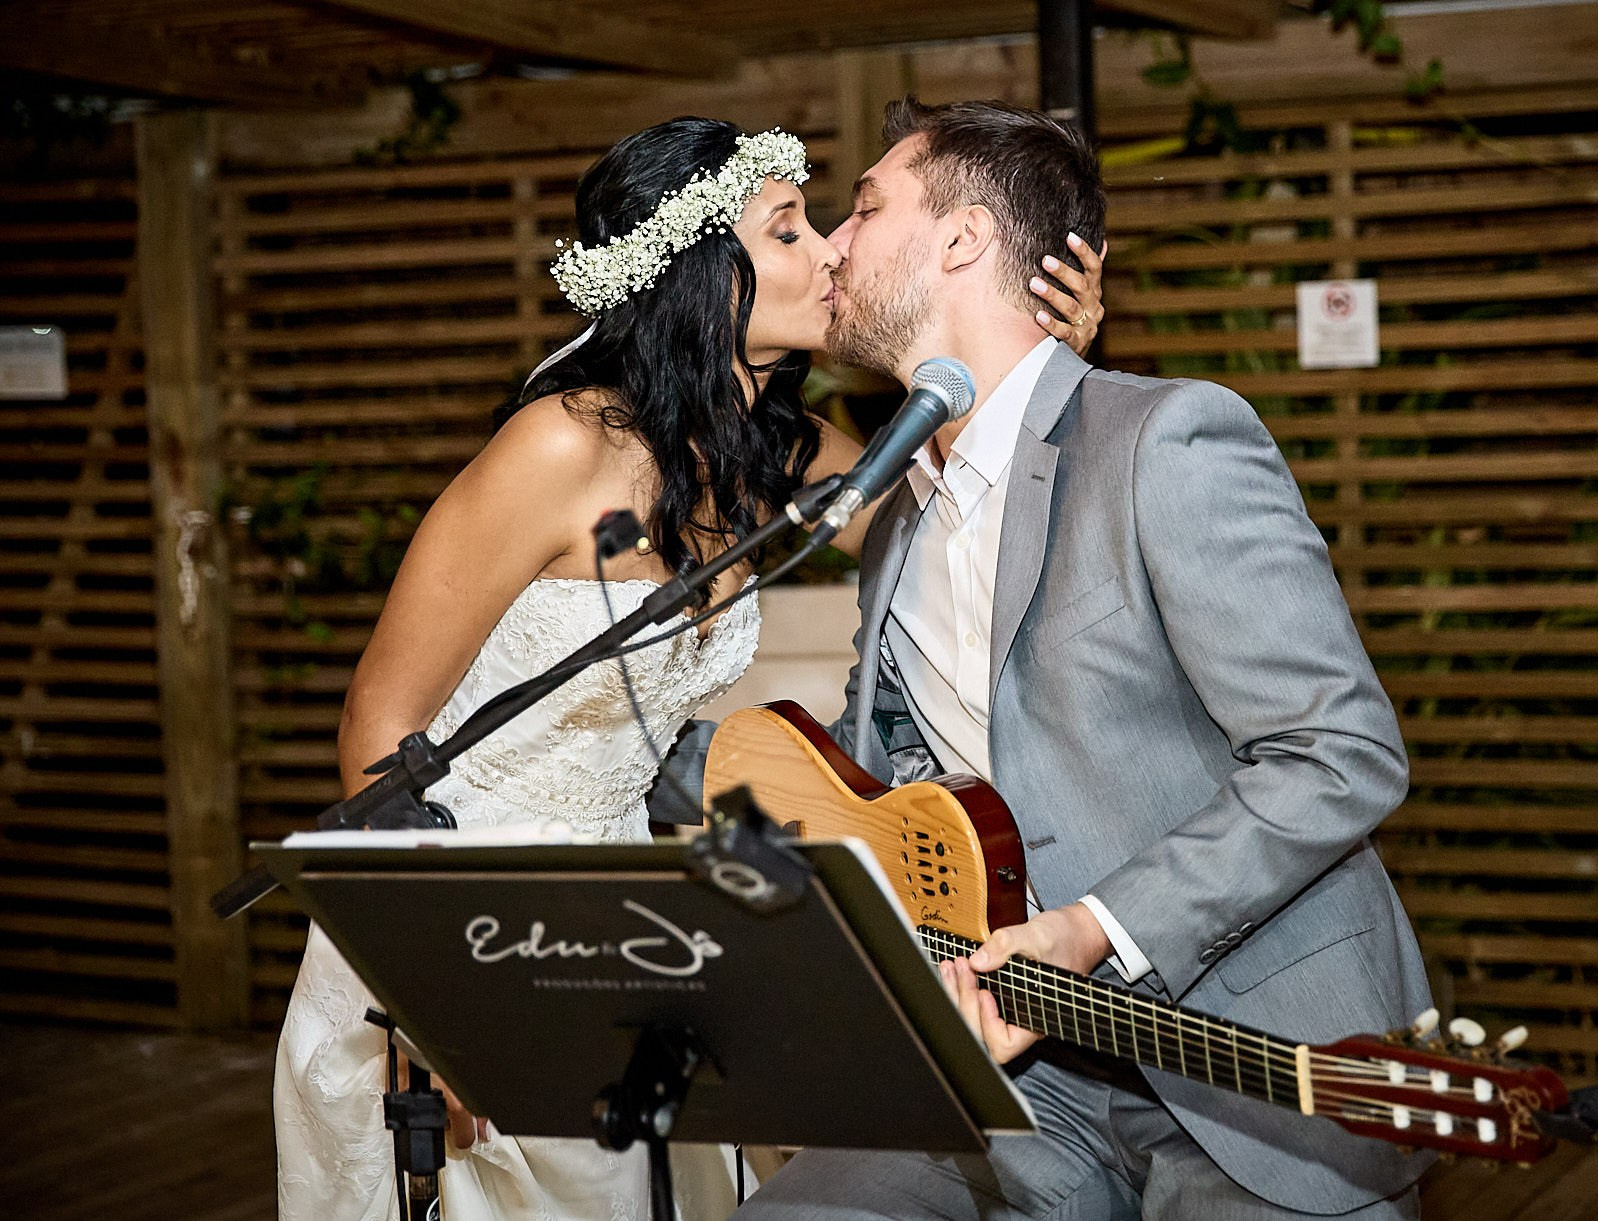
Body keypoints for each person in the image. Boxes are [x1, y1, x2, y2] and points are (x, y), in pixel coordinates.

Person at [272, 115, 1106, 1221]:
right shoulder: (562, 447)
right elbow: (377, 730)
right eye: (788, 230)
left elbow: (984, 505)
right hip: (460, 913)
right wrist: (430, 991)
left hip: (627, 910)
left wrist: (1047, 364)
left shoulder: (777, 456)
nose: (829, 253)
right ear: (700, 275)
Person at [675, 98, 1434, 1219]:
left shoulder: (1165, 442)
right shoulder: (896, 519)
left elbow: (1342, 754)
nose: (833, 243)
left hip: (1250, 1063)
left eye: (864, 205)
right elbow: (872, 781)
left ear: (963, 239)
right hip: (1019, 1075)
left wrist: (1090, 933)